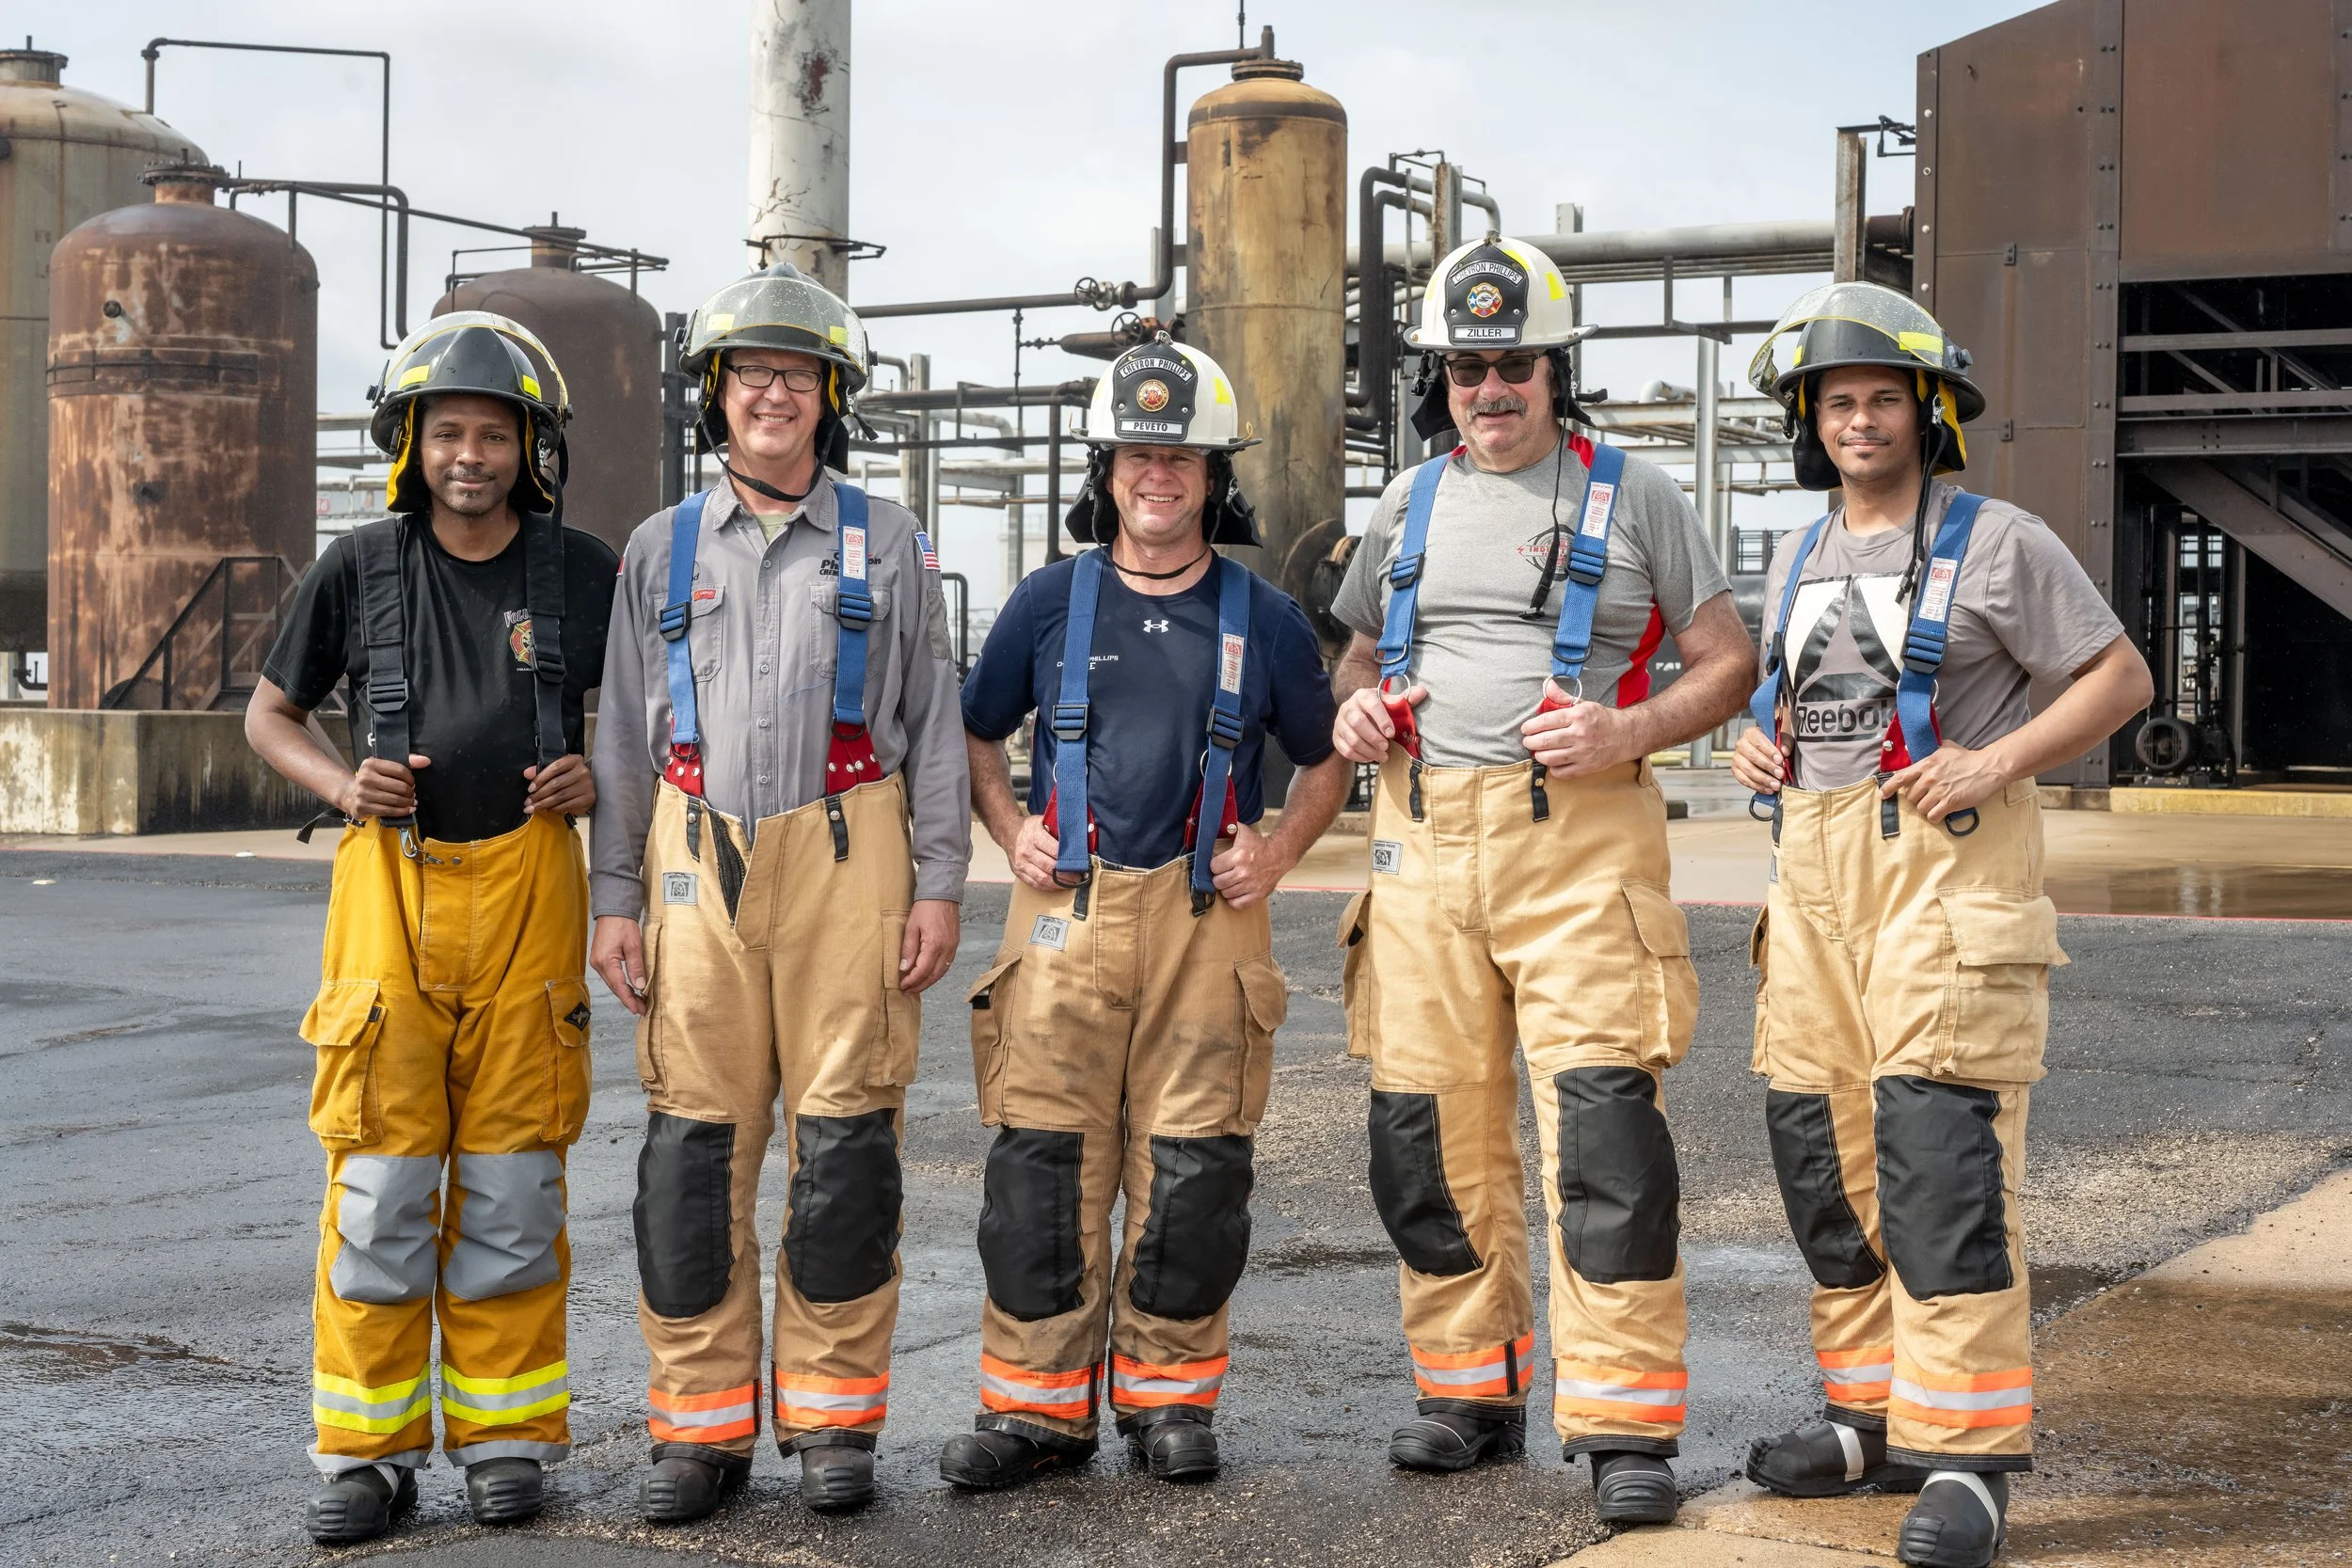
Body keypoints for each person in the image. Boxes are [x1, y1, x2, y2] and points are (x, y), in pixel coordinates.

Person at [1325, 235, 1756, 1526]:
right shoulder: (1403, 504)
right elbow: (1352, 658)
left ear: (1558, 371)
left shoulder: (1640, 497)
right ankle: (1472, 1389)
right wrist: (1353, 716)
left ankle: (1623, 1420)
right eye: (1467, 366)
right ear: (1440, 380)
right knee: (1427, 1134)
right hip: (1419, 851)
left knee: (1606, 1134)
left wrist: (1627, 730)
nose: (1490, 387)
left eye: (1514, 363)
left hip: (1581, 846)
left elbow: (1727, 661)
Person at [1730, 282, 2152, 1568]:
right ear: (1815, 422)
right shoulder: (1799, 553)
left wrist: (1995, 759)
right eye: (1838, 402)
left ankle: (1966, 1458)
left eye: (1881, 398)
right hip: (1812, 891)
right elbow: (1816, 707)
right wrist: (1766, 742)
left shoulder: (2003, 541)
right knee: (1828, 1163)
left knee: (1941, 1167)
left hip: (1944, 889)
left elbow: (2121, 677)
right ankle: (1870, 1416)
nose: (1860, 420)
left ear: (1928, 410)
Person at [588, 262, 969, 1520]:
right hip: (696, 861)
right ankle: (700, 1431)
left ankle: (832, 1423)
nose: (773, 394)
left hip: (852, 860)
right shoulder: (660, 548)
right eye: (750, 373)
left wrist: (941, 885)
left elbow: (931, 718)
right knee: (693, 1153)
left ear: (830, 397)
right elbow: (625, 749)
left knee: (847, 1148)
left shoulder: (889, 539)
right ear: (717, 392)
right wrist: (617, 894)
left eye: (797, 376)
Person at [940, 335, 1347, 1491]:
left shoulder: (1261, 616)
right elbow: (977, 730)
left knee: (1194, 1171)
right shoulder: (1046, 599)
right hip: (1062, 907)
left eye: (1182, 456)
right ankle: (1031, 1411)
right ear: (1105, 469)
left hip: (1206, 915)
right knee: (1038, 1167)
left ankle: (1169, 1403)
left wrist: (1275, 846)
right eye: (1137, 453)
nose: (1157, 475)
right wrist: (1002, 823)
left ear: (1215, 476)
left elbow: (1325, 760)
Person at [246, 312, 614, 1544]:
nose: (469, 453)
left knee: (514, 1182)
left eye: (492, 433)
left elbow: (655, 723)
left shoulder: (582, 570)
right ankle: (365, 1450)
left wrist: (596, 775)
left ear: (531, 446)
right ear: (407, 441)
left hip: (533, 893)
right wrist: (343, 783)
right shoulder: (360, 564)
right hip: (388, 896)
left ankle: (507, 1439)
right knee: (380, 1184)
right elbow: (269, 713)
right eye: (445, 431)